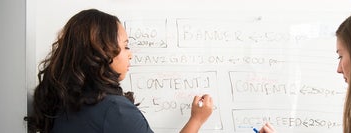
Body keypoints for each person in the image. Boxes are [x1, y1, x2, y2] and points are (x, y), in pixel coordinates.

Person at [26, 9, 213, 133]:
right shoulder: (114, 110)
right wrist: (196, 120)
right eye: (125, 46)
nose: (130, 55)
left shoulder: (61, 101)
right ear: (100, 52)